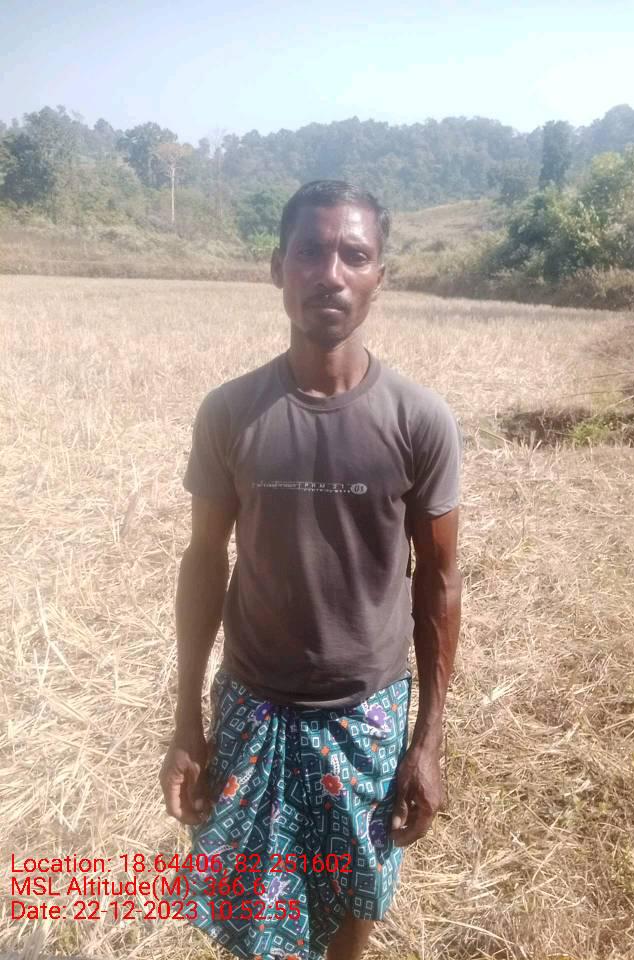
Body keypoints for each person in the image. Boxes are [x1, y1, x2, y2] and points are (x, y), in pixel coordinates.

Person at [159, 180, 462, 960]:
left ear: (379, 277)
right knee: (248, 918)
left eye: (354, 255)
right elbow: (204, 562)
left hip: (366, 715)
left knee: (351, 903)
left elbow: (439, 584)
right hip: (252, 706)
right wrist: (187, 720)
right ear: (278, 267)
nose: (331, 273)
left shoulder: (419, 421)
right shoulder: (230, 413)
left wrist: (427, 741)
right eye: (310, 252)